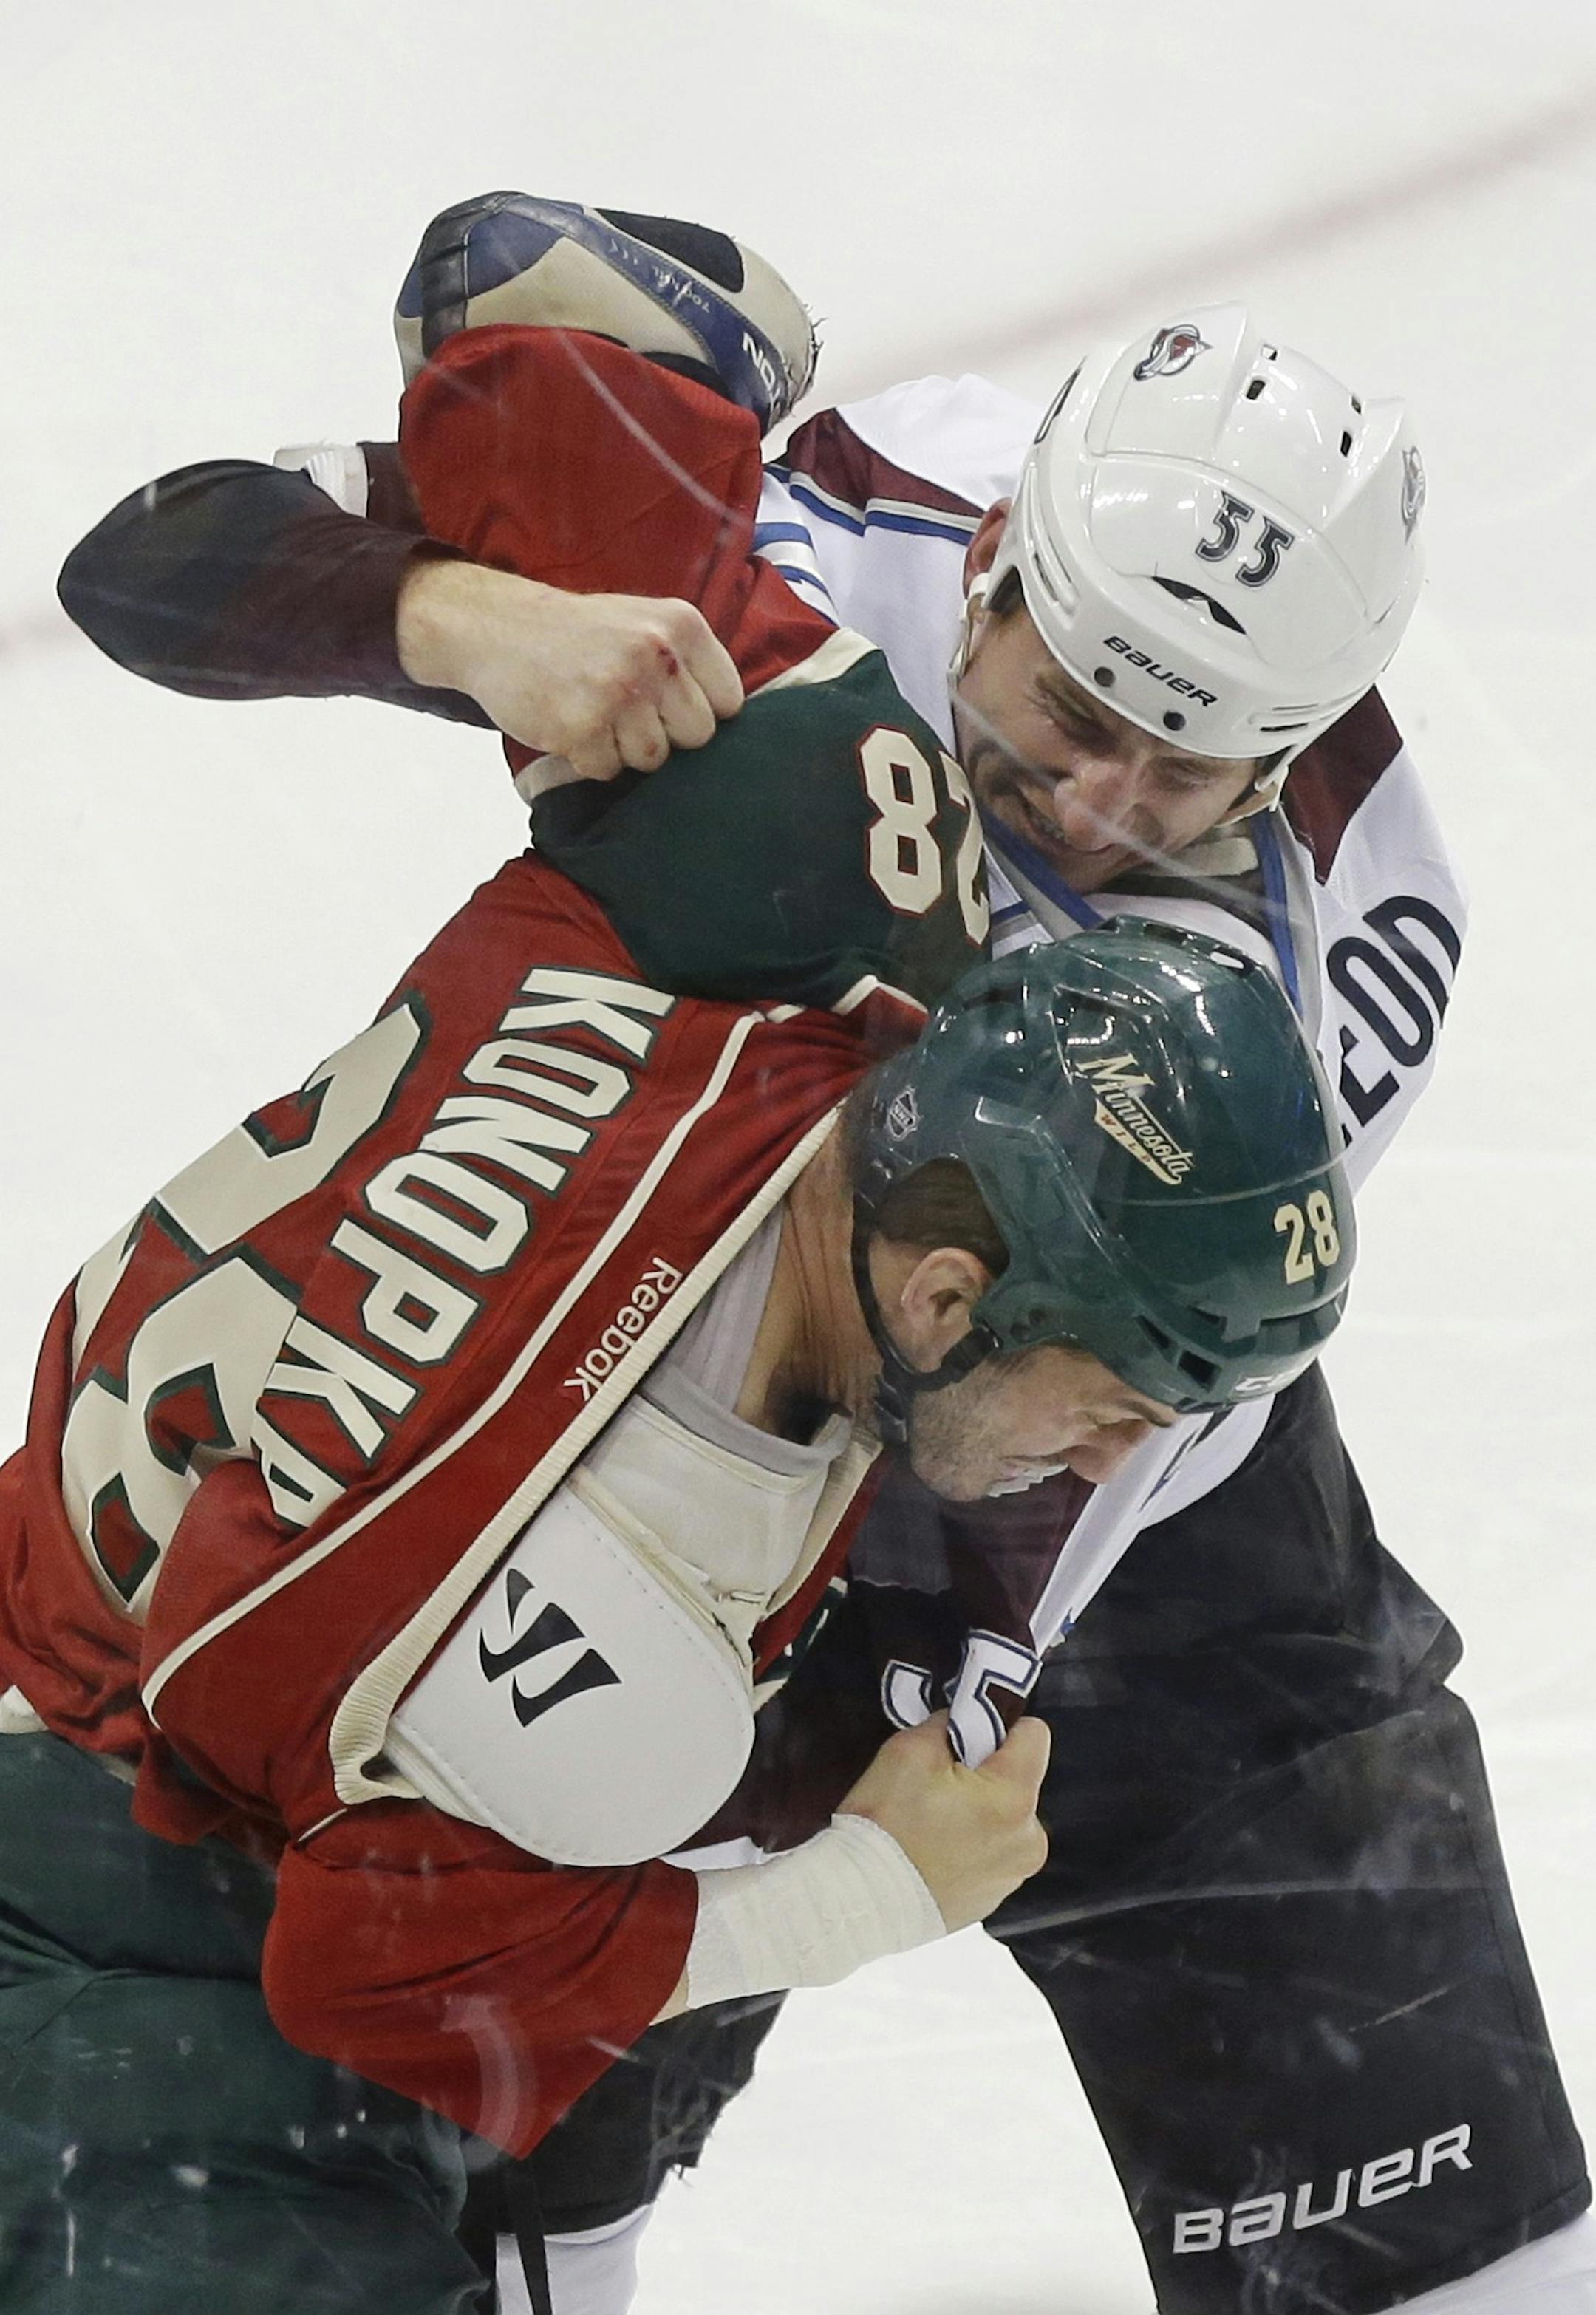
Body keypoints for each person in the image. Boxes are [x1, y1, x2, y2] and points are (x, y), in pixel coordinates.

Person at [55, 197, 1593, 2315]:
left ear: (1299, 744)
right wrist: (467, 622)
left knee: (1448, 2234)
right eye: (1068, 708)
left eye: (1186, 773)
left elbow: (1041, 1472)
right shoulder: (817, 546)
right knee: (504, 2085)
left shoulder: (1299, 988)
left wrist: (831, 1847)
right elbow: (150, 561)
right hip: (684, 1330)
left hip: (1059, 1406)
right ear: (995, 561)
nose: (1098, 801)